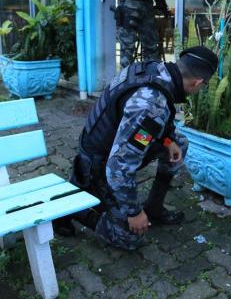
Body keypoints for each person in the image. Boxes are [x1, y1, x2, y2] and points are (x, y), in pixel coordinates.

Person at [55, 46, 218, 250]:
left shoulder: (155, 69)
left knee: (180, 142)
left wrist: (168, 139)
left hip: (109, 145)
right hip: (100, 163)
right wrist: (133, 212)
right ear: (198, 83)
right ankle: (72, 209)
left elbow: (156, 121)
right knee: (130, 237)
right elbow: (118, 167)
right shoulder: (150, 104)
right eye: (203, 87)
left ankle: (154, 208)